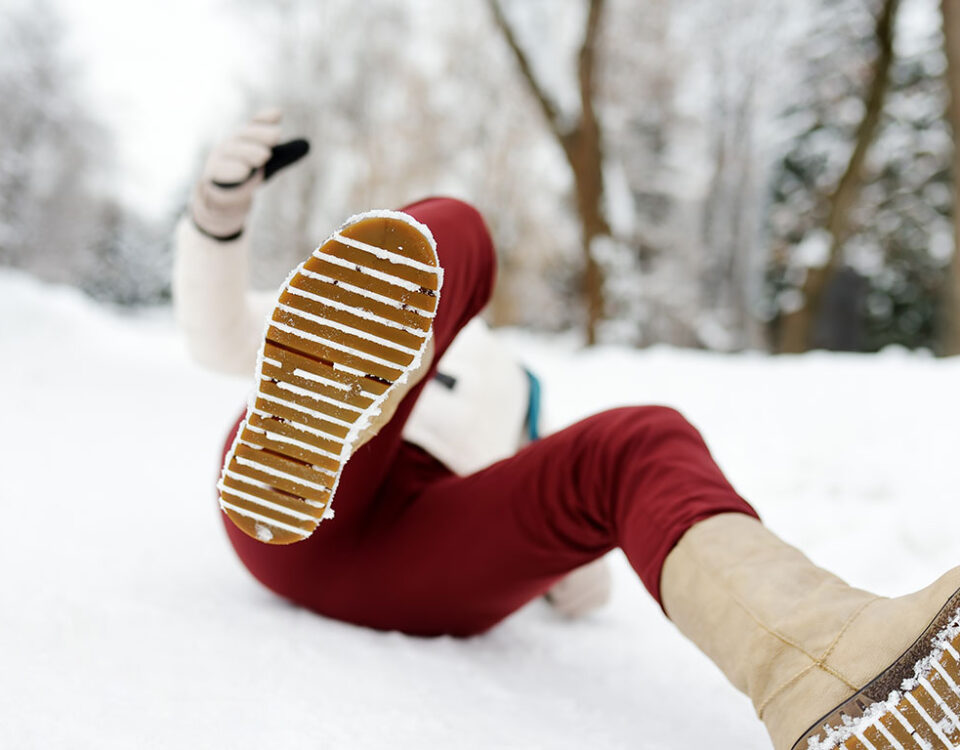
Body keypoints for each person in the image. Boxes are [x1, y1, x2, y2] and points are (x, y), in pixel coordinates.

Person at [175, 112, 960, 750]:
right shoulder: (345, 318)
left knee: (637, 439)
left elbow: (575, 585)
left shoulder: (516, 392)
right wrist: (219, 215)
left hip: (418, 556)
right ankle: (338, 415)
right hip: (298, 500)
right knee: (457, 228)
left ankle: (833, 668)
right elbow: (218, 341)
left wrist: (565, 567)